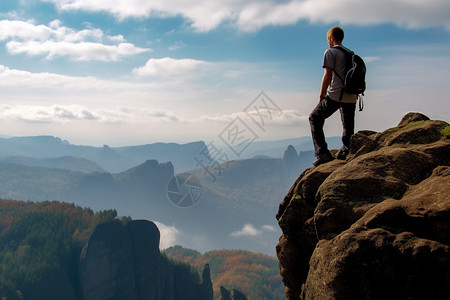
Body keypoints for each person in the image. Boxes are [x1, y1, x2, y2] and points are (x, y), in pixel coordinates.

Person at [309, 26, 357, 166]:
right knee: (348, 126)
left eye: (328, 39)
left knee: (314, 117)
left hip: (336, 94)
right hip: (352, 95)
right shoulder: (351, 53)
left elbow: (327, 75)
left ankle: (322, 153)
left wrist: (321, 94)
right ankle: (345, 151)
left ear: (331, 38)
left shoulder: (330, 52)